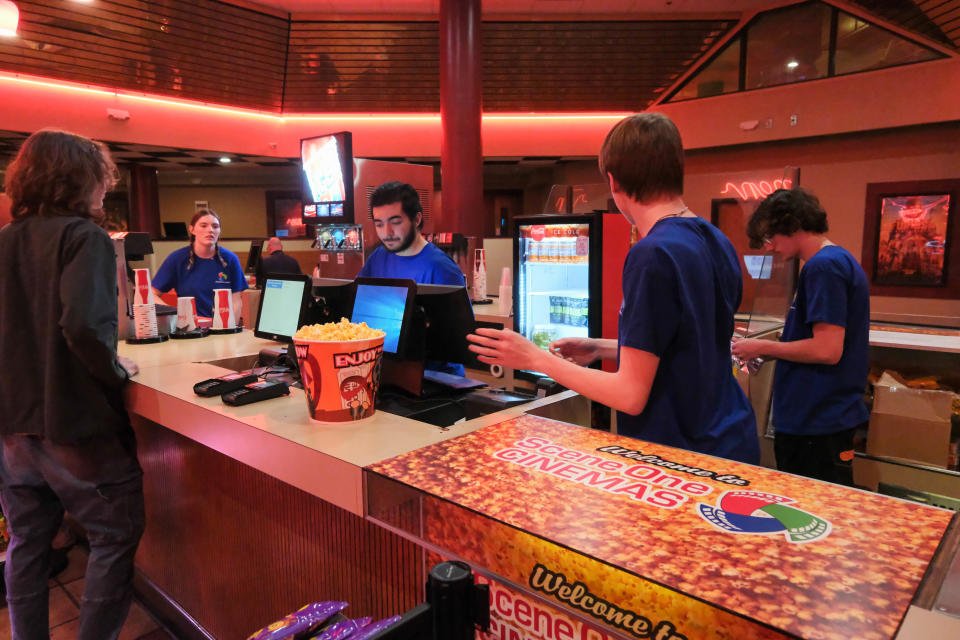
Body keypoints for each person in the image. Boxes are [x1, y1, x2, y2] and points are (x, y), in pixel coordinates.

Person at [467, 113, 759, 464]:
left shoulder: (652, 254)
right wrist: (600, 348)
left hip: (679, 452)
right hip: (729, 437)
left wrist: (534, 358)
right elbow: (689, 343)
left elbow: (630, 395)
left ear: (613, 180)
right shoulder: (716, 239)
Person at [0, 129, 144, 639]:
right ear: (78, 181)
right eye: (101, 183)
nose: (104, 193)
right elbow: (84, 327)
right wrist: (115, 372)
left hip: (13, 428)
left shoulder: (5, 239)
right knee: (114, 533)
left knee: (28, 542)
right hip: (73, 423)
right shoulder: (85, 238)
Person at [732, 188, 869, 485]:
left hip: (818, 422)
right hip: (817, 418)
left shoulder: (825, 266)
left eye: (772, 236)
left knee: (814, 511)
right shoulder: (831, 262)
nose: (769, 247)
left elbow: (827, 349)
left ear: (792, 225)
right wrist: (766, 351)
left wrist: (762, 345)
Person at [358, 181, 467, 376]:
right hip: (388, 369)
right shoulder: (377, 258)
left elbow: (457, 340)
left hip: (436, 378)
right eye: (379, 224)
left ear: (416, 219)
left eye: (395, 222)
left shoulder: (442, 268)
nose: (386, 232)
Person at [151, 208, 247, 318]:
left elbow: (236, 301)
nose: (210, 230)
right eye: (203, 225)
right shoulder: (177, 259)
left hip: (222, 327)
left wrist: (231, 330)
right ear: (192, 229)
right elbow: (151, 294)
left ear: (219, 231)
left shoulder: (230, 259)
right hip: (191, 329)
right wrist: (174, 315)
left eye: (215, 226)